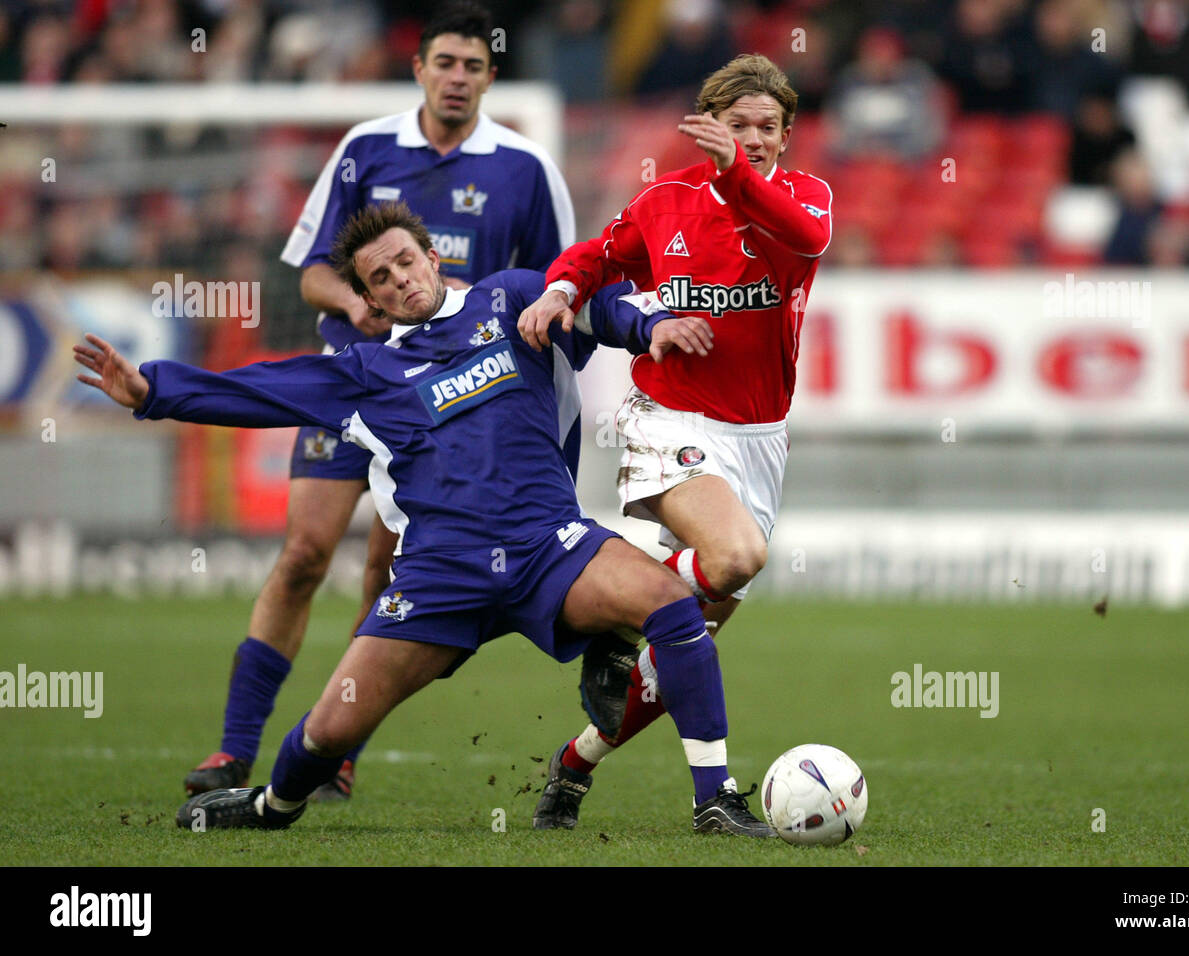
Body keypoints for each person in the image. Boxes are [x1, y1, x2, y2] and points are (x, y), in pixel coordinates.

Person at [76, 202, 772, 837]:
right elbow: (261, 388)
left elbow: (600, 305)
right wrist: (152, 391)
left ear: (433, 256)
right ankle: (271, 807)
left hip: (548, 549)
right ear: (370, 299)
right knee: (328, 732)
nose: (400, 279)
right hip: (439, 577)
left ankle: (713, 798)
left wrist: (652, 328)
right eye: (381, 277)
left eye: (407, 261)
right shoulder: (367, 370)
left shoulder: (514, 299)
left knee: (675, 609)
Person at [185, 1, 574, 801]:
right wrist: (359, 305)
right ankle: (231, 751)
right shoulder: (365, 148)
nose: (457, 78)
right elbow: (311, 273)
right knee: (301, 555)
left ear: (491, 75)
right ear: (419, 68)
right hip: (355, 383)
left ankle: (340, 746)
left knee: (387, 571)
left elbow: (552, 298)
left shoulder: (526, 169)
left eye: (472, 66)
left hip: (449, 402)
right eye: (444, 63)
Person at [517, 53, 832, 829]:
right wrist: (560, 288)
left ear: (787, 137)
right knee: (733, 560)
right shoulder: (666, 202)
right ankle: (617, 612)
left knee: (680, 646)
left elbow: (806, 238)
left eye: (767, 127)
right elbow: (599, 256)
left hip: (758, 440)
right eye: (737, 125)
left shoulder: (803, 201)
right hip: (669, 422)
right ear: (709, 128)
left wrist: (736, 177)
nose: (752, 138)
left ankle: (576, 763)